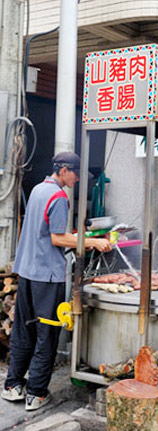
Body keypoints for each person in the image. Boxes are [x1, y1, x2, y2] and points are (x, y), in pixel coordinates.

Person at [1, 152, 111, 412]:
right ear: (63, 170)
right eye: (75, 174)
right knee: (47, 335)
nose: (77, 179)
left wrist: (80, 235)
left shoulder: (39, 189)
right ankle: (37, 393)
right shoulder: (59, 197)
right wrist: (93, 242)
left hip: (26, 272)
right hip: (46, 276)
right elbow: (57, 238)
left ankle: (13, 386)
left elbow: (45, 230)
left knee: (23, 330)